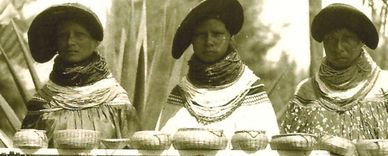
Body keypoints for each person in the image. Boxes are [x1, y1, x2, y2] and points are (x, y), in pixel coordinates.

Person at [157, 0, 279, 145]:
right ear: (192, 41)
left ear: (229, 37)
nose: (209, 41)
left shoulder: (249, 90)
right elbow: (163, 146)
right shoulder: (182, 94)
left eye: (217, 34)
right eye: (201, 35)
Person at [21, 3, 140, 147]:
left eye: (80, 35)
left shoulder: (116, 102)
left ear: (95, 42)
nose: (70, 42)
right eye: (63, 35)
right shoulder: (43, 104)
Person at [281, 3, 388, 140]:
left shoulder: (384, 87)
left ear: (361, 42)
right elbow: (288, 147)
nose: (338, 47)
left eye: (347, 38)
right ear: (324, 43)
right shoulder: (306, 92)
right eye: (331, 39)